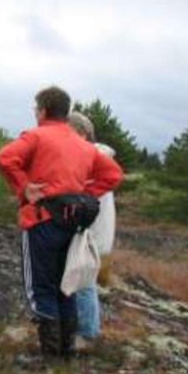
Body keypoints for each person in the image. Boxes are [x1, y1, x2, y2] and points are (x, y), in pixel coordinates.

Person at [0, 86, 123, 361]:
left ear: (42, 110)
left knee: (41, 287)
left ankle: (49, 355)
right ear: (65, 111)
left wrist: (24, 187)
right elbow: (113, 174)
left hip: (41, 220)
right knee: (66, 285)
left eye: (36, 108)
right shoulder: (82, 144)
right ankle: (66, 351)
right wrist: (84, 194)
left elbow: (5, 158)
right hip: (71, 224)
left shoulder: (38, 136)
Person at [67, 109, 118, 342]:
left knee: (84, 282)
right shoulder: (96, 159)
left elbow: (82, 195)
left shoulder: (93, 160)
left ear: (81, 133)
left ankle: (88, 333)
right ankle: (83, 330)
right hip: (91, 231)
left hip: (89, 232)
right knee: (81, 281)